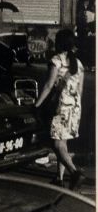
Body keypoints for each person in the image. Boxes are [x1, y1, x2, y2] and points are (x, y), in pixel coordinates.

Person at [35, 28, 85, 190]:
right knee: (63, 143)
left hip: (60, 107)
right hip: (75, 108)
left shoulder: (56, 60)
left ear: (59, 43)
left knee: (57, 144)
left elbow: (49, 85)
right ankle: (59, 177)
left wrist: (37, 104)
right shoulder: (79, 64)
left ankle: (75, 172)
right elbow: (80, 90)